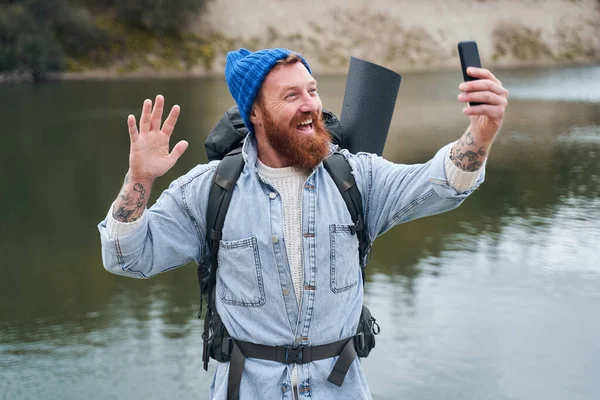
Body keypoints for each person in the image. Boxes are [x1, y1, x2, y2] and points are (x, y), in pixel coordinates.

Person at [98, 48, 508, 399]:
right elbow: (127, 258)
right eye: (291, 95)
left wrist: (481, 133)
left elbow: (440, 183)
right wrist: (140, 179)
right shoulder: (209, 190)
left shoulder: (356, 178)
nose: (310, 104)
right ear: (255, 113)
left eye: (312, 90)